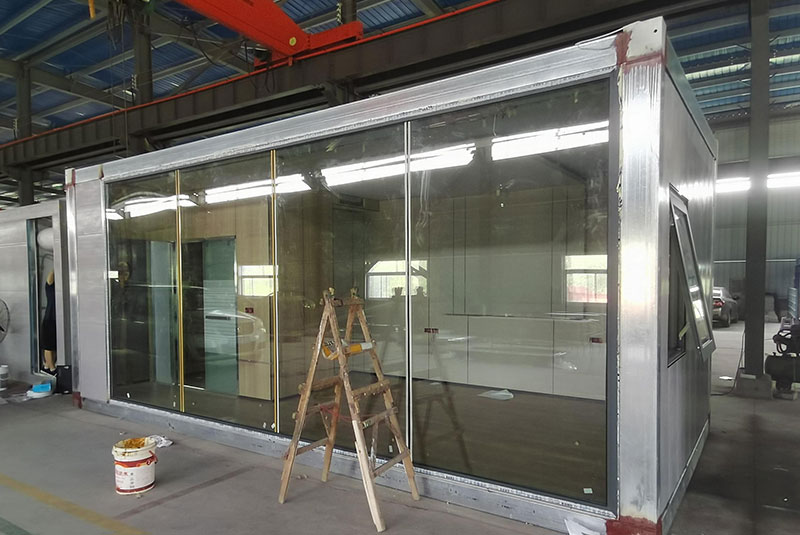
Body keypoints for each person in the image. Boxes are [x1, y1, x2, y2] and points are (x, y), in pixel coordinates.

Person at [41, 271, 57, 374]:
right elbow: (50, 277)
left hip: (55, 318)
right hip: (50, 319)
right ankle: (51, 368)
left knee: (52, 345)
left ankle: (48, 366)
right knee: (48, 345)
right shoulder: (50, 287)